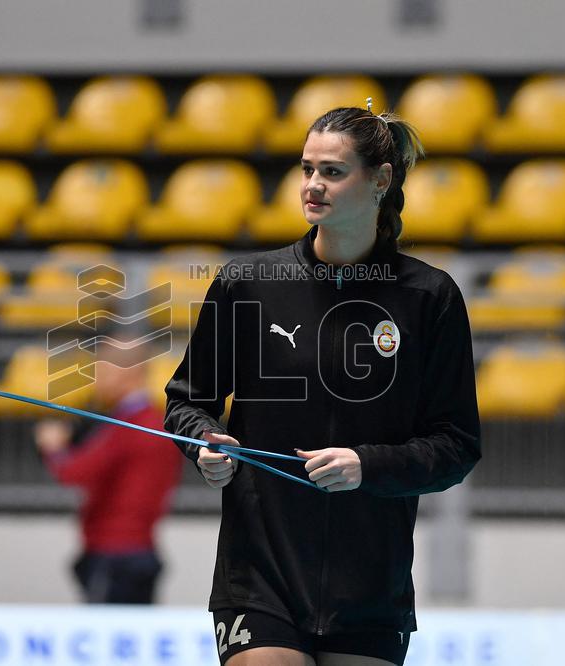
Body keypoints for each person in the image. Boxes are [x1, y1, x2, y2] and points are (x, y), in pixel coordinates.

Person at [163, 106, 481, 665]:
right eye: (307, 169)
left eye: (332, 172)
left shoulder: (430, 298)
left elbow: (456, 445)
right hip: (259, 575)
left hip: (371, 586)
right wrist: (204, 445)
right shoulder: (247, 285)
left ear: (380, 180)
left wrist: (367, 465)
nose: (313, 185)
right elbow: (187, 402)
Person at [36, 338, 181, 604]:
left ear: (127, 372)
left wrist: (53, 448)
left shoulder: (131, 425)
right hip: (137, 548)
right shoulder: (155, 421)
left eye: (102, 371)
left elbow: (73, 472)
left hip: (115, 554)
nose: (96, 381)